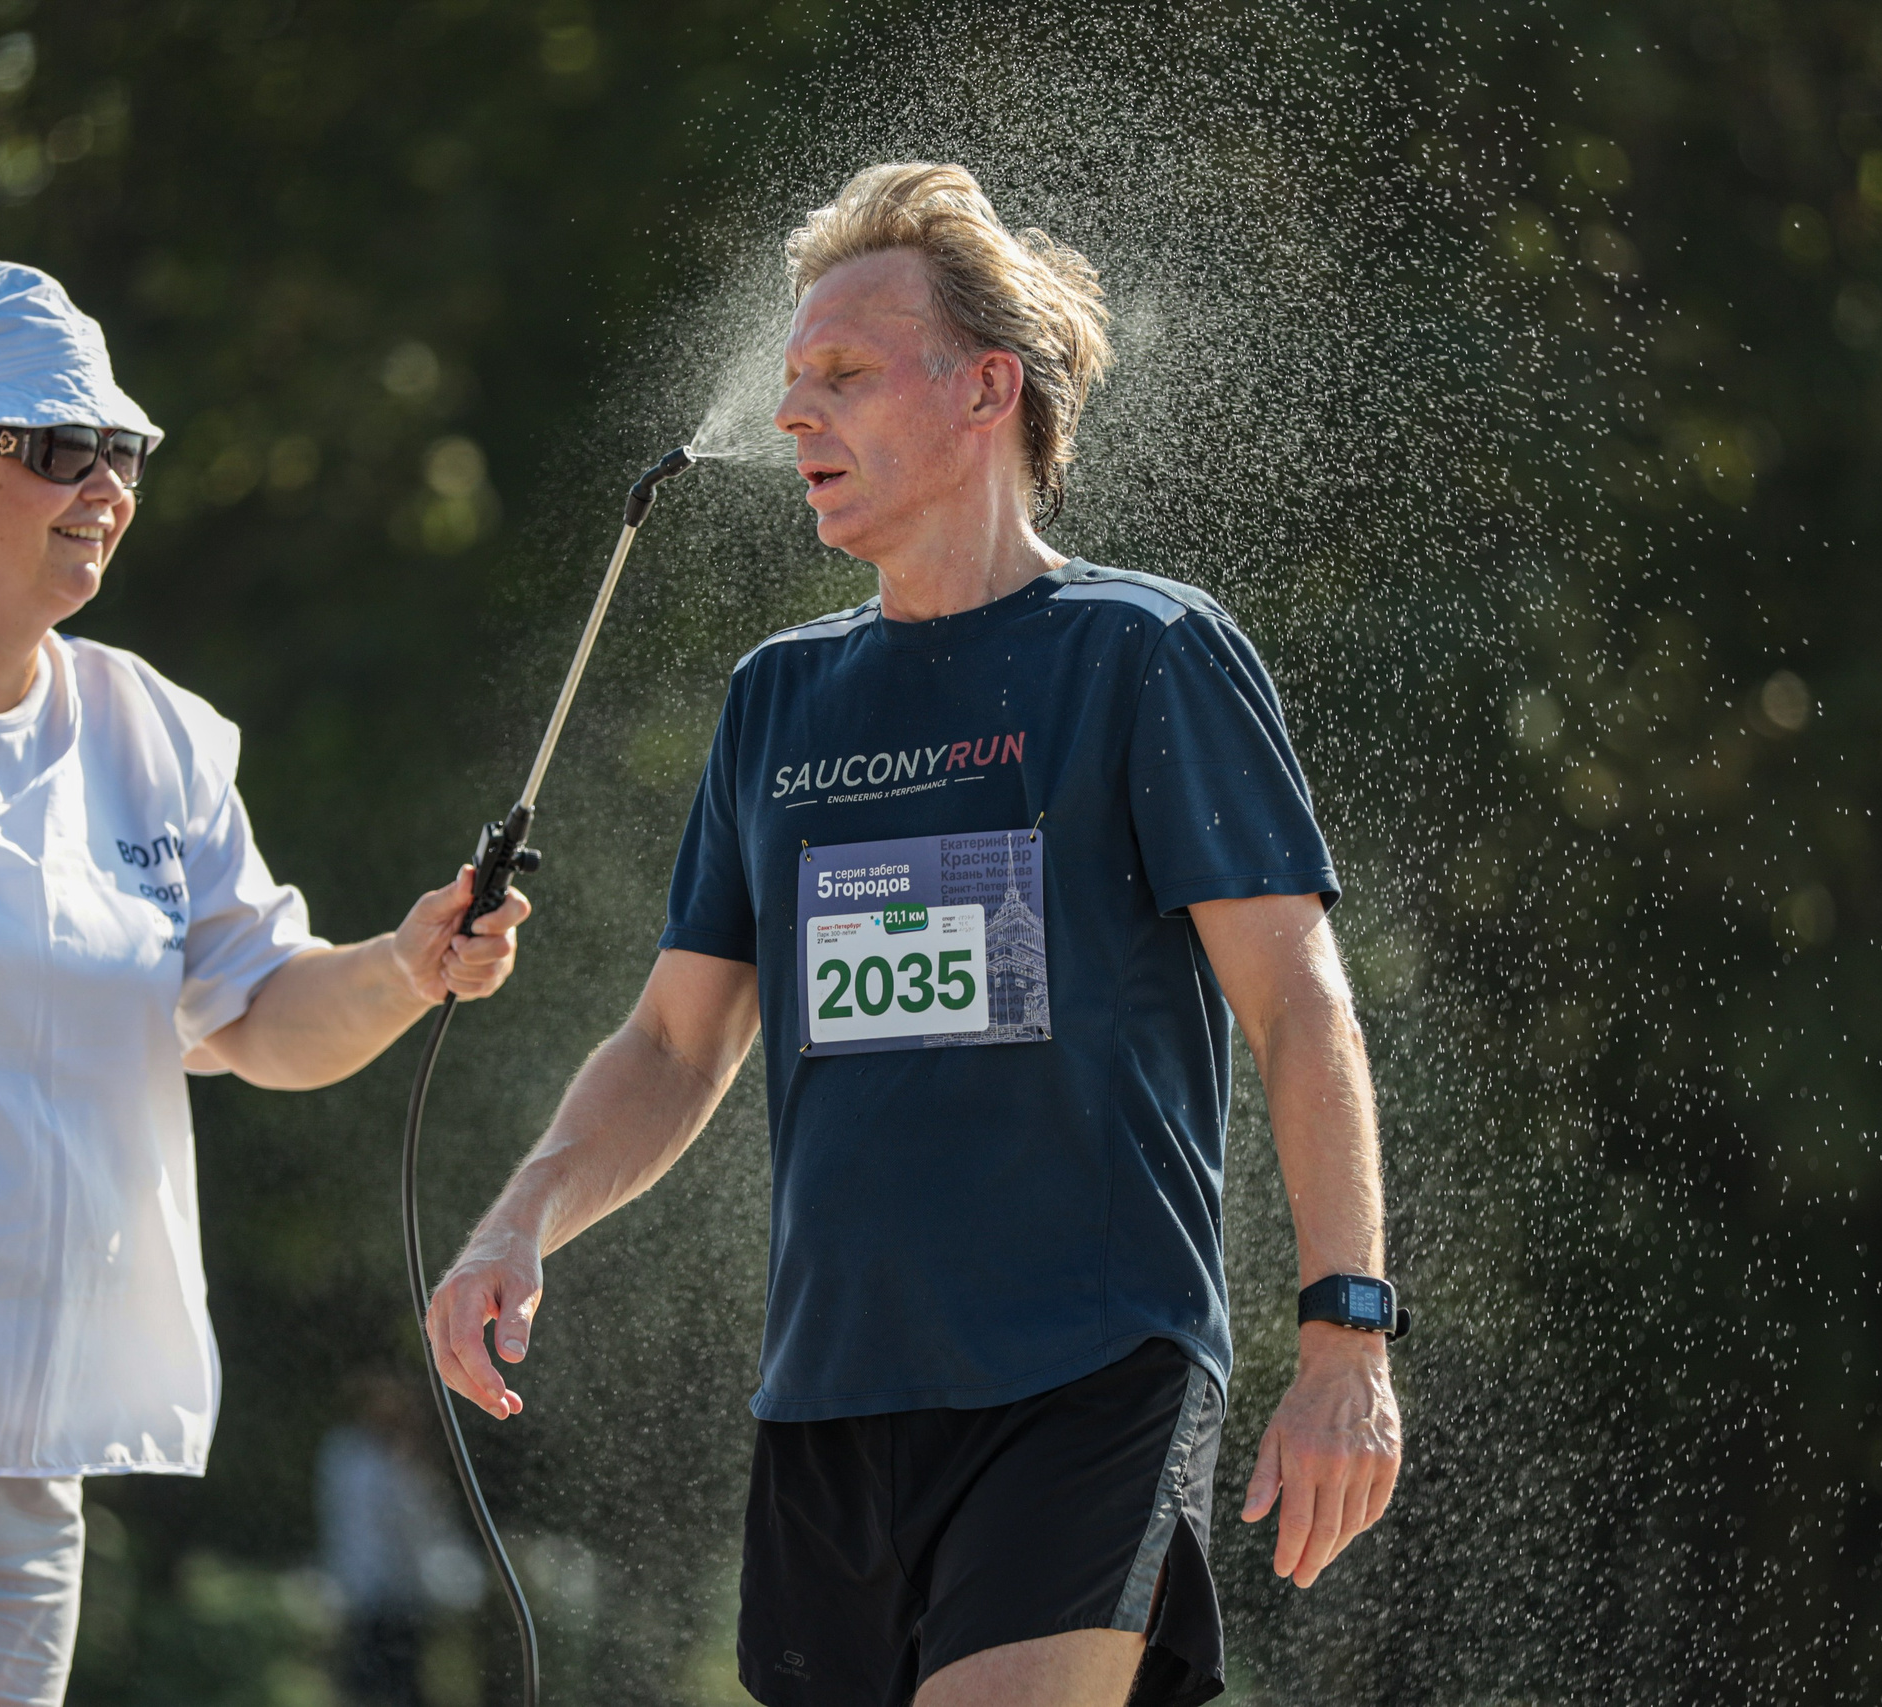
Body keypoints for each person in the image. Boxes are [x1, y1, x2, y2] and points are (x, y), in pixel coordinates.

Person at [427, 162, 1403, 1706]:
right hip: (830, 1404)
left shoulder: (1144, 653)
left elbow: (1300, 1007)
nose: (790, 412)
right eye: (791, 376)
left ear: (984, 392)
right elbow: (676, 1041)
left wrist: (1345, 1332)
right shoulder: (778, 699)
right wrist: (515, 1221)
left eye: (844, 375)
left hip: (1089, 1374)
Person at [0, 256, 531, 1706]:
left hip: (22, 1471)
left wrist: (401, 964)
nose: (107, 483)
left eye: (123, 451)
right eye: (59, 448)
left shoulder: (158, 732)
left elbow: (255, 1015)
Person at [317, 1371, 484, 1707]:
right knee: (373, 1682)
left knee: (398, 1682)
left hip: (400, 1594)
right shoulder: (357, 1458)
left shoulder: (392, 1461)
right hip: (369, 1590)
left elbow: (425, 1527)